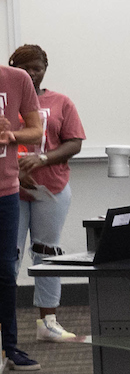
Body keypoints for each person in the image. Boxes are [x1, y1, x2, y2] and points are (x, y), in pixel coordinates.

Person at [10, 45, 84, 345]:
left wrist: (41, 160)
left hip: (50, 188)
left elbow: (74, 142)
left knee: (47, 253)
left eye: (37, 68)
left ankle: (48, 322)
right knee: (8, 256)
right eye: (25, 68)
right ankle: (5, 327)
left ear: (45, 68)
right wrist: (16, 167)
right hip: (11, 189)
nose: (31, 73)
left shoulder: (61, 101)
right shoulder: (5, 102)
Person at [0, 50, 40, 366]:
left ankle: (10, 347)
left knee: (5, 270)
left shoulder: (17, 79)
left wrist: (11, 134)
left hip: (6, 191)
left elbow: (36, 130)